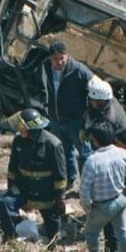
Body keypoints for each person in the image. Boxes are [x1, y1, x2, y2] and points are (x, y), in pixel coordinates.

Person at [79, 122, 126, 252]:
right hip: (120, 200)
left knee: (91, 232)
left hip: (102, 205)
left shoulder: (92, 161)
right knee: (123, 233)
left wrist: (88, 208)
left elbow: (84, 190)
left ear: (95, 141)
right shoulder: (121, 153)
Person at [0, 109, 67, 242]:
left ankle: (53, 246)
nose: (19, 131)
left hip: (45, 191)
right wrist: (11, 190)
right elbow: (12, 169)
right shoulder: (18, 141)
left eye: (22, 129)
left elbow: (60, 176)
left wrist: (59, 199)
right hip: (23, 188)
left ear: (31, 131)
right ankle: (10, 237)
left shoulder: (53, 145)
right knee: (5, 203)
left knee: (52, 226)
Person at [40, 40, 95, 187]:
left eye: (61, 59)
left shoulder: (79, 71)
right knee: (63, 152)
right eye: (55, 59)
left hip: (76, 121)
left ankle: (87, 185)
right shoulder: (45, 65)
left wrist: (89, 116)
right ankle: (69, 180)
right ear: (50, 58)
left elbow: (96, 90)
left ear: (67, 56)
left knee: (85, 154)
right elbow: (43, 86)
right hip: (56, 119)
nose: (59, 63)